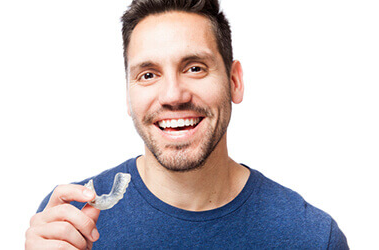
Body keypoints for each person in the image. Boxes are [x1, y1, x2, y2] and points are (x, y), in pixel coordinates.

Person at [25, 0, 348, 249]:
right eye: (148, 75)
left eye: (194, 68)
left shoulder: (312, 237)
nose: (173, 95)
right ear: (128, 93)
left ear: (234, 81)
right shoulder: (69, 222)